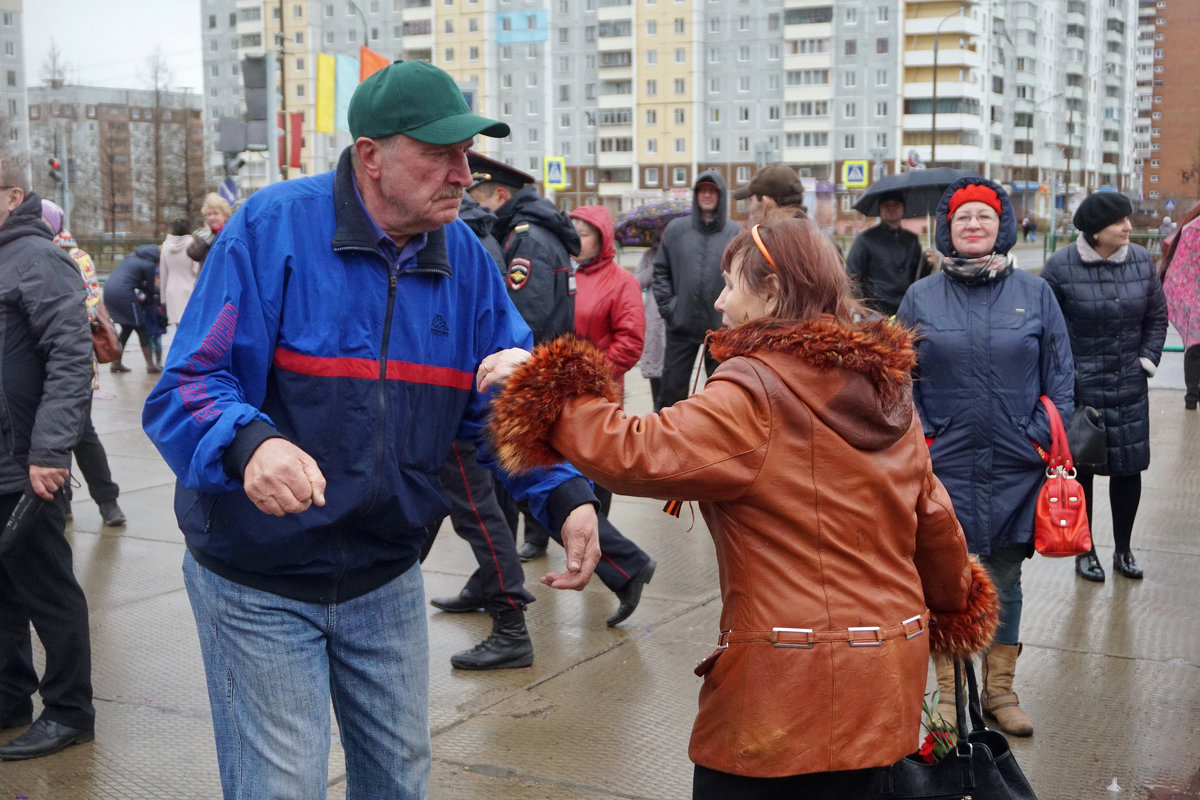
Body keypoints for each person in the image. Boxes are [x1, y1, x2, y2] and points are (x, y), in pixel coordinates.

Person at [141, 60, 602, 799]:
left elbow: (501, 412)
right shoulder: (272, 230)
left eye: (466, 154)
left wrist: (565, 494)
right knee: (280, 785)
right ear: (371, 156)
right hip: (258, 577)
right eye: (439, 153)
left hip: (385, 574)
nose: (462, 172)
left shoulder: (471, 268)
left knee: (398, 781)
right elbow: (188, 384)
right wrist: (249, 443)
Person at [481, 217, 1000, 797]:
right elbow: (934, 519)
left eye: (731, 285)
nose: (721, 303)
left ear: (773, 292)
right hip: (885, 682)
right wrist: (957, 606)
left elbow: (635, 450)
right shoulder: (886, 389)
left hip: (788, 693)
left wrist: (540, 383)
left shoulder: (755, 387)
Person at [896, 176, 1074, 738]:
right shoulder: (920, 297)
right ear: (948, 229)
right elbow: (900, 381)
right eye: (963, 218)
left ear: (1004, 227)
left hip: (1015, 465)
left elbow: (1062, 379)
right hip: (942, 464)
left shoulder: (1036, 294)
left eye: (985, 217)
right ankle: (951, 694)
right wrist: (923, 441)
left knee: (1005, 578)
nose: (974, 226)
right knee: (946, 577)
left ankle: (999, 692)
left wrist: (1036, 436)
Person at [0, 162, 96, 761]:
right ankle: (10, 697)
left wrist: (50, 451)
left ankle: (69, 712)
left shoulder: (37, 257)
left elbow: (71, 356)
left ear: (11, 196)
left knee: (47, 590)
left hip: (25, 462)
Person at [1042, 192, 1167, 583]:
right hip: (1083, 392)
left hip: (1130, 386)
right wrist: (1064, 380)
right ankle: (1086, 550)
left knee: (1129, 470)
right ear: (1096, 231)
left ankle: (1124, 550)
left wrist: (1146, 360)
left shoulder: (1142, 262)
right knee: (1084, 473)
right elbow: (1047, 330)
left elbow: (1157, 317)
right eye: (1120, 221)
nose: (1129, 227)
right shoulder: (1061, 267)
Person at [466, 153, 575, 559]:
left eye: (479, 196)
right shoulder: (532, 230)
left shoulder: (526, 237)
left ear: (499, 194)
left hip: (529, 371)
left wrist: (507, 362)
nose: (478, 207)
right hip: (543, 365)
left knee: (524, 464)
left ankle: (623, 564)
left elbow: (525, 312)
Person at [41, 201, 125, 527]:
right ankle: (62, 504)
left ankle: (108, 501)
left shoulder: (77, 258)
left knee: (80, 433)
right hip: (37, 362)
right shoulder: (21, 256)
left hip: (74, 361)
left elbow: (90, 308)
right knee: (47, 437)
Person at [467, 151, 579, 345]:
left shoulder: (526, 240)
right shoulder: (528, 230)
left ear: (501, 196)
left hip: (530, 364)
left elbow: (526, 318)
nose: (474, 209)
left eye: (476, 201)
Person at [652, 171, 739, 408]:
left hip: (721, 328)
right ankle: (667, 440)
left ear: (721, 196)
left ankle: (716, 440)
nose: (707, 195)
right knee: (671, 391)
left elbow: (744, 278)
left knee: (723, 393)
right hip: (681, 326)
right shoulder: (676, 231)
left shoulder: (735, 234)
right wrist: (670, 308)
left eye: (713, 190)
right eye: (702, 190)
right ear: (695, 194)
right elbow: (660, 271)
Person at [845, 191, 934, 317]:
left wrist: (927, 264)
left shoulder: (911, 240)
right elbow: (852, 278)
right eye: (886, 204)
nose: (891, 208)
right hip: (876, 313)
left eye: (896, 204)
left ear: (903, 209)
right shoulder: (865, 239)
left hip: (906, 309)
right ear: (880, 210)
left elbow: (917, 278)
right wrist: (865, 310)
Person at [1160, 200, 1200, 410]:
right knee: (1194, 348)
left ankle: (1192, 397)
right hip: (1194, 299)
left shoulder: (1191, 229)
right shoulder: (1193, 230)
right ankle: (1192, 397)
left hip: (1192, 298)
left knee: (1194, 349)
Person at [102, 244, 162, 375]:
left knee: (127, 328)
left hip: (109, 291)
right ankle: (150, 365)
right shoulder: (148, 265)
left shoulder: (132, 257)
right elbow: (150, 289)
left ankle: (116, 363)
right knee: (141, 328)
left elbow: (138, 282)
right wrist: (160, 292)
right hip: (124, 294)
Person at [634, 222, 668, 410]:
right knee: (656, 368)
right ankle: (657, 410)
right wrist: (655, 268)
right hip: (654, 318)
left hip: (674, 318)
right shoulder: (649, 256)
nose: (664, 231)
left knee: (674, 370)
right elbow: (636, 282)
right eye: (662, 228)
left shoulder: (680, 253)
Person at [731, 163, 807, 224]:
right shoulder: (812, 236)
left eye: (750, 200)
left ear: (767, 202)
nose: (749, 209)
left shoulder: (764, 241)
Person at [161, 218, 199, 328]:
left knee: (179, 329)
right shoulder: (192, 243)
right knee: (192, 328)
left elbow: (164, 275)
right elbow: (196, 269)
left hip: (171, 291)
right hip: (190, 289)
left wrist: (163, 299)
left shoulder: (166, 245)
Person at [186, 193, 231, 266]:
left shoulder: (230, 233)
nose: (212, 218)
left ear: (224, 215)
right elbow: (193, 254)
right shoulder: (203, 234)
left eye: (216, 213)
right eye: (209, 214)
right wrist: (207, 235)